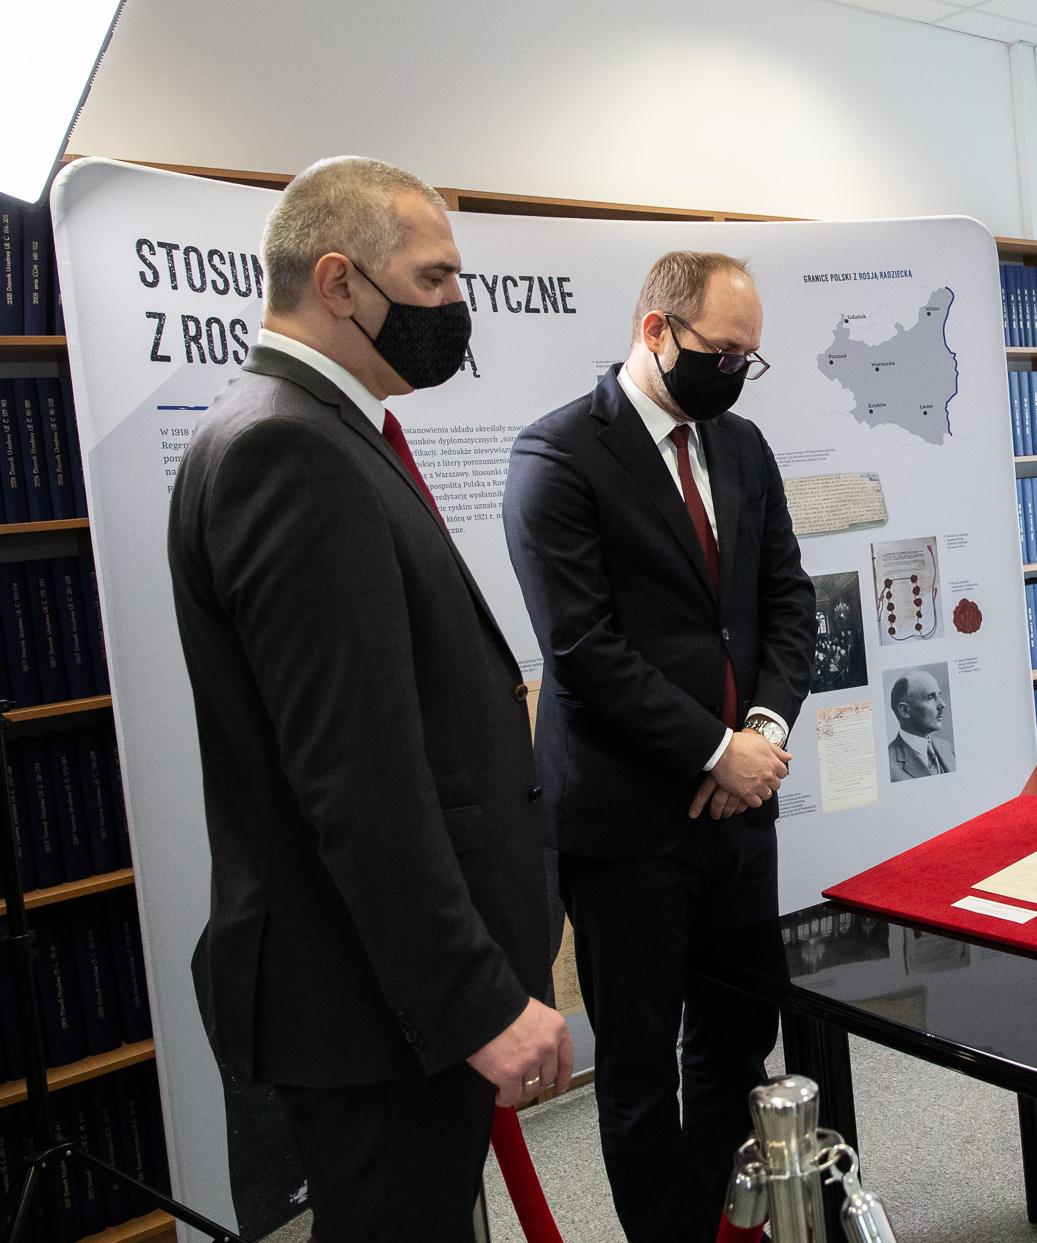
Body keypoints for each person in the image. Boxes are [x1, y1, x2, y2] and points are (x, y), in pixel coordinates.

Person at [168, 156, 569, 1240]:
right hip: (372, 1009)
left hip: (386, 1001)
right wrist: (475, 1002)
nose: (456, 306)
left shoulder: (315, 429)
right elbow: (358, 780)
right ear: (339, 281)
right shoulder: (286, 449)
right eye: (434, 279)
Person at [502, 250, 815, 1243]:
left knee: (736, 1040)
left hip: (740, 814)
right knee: (638, 1073)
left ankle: (725, 1223)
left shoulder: (742, 447)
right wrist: (715, 751)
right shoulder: (558, 455)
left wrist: (760, 733)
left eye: (749, 357)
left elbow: (786, 604)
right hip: (626, 825)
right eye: (723, 352)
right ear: (655, 330)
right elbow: (582, 650)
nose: (735, 373)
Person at [885, 668, 954, 779]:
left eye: (939, 695)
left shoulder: (947, 748)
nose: (942, 704)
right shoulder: (887, 765)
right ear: (905, 711)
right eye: (930, 697)